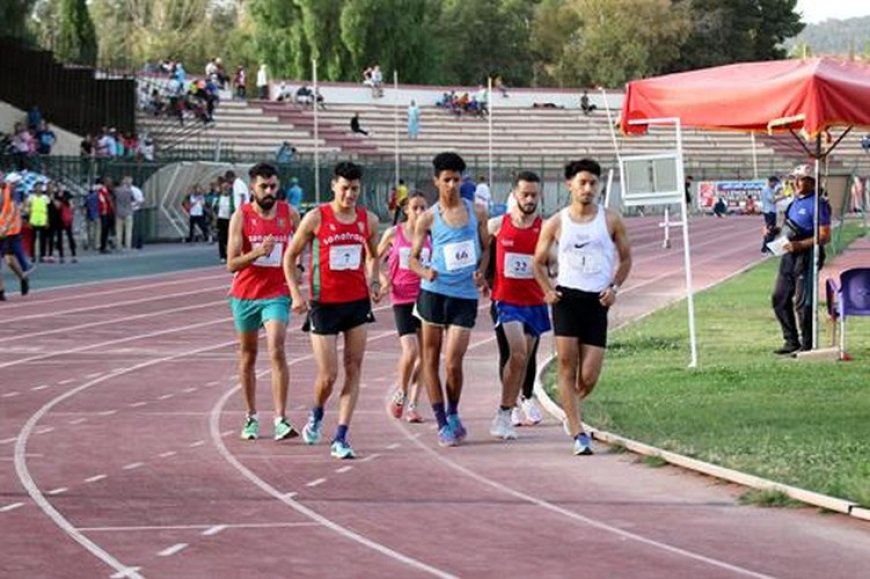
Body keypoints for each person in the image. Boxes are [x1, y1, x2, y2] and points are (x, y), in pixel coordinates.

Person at [533, 158, 632, 455]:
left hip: (596, 301)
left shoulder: (611, 220)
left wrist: (614, 288)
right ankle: (578, 431)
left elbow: (626, 259)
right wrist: (547, 291)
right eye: (582, 183)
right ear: (570, 185)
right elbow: (537, 263)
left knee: (588, 376)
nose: (588, 188)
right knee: (566, 364)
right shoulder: (556, 222)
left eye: (593, 183)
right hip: (566, 300)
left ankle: (571, 405)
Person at [284, 161, 382, 459]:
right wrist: (295, 295)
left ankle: (341, 436)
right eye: (345, 188)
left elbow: (373, 255)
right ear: (333, 186)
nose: (350, 194)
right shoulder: (316, 218)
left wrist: (375, 280)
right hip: (323, 304)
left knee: (354, 369)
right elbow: (289, 258)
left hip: (356, 303)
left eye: (355, 189)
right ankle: (316, 414)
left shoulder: (369, 220)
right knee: (328, 375)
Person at [409, 152, 490, 447]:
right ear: (436, 181)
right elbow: (413, 259)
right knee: (430, 359)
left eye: (457, 179)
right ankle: (442, 421)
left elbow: (486, 249)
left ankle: (454, 411)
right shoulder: (428, 218)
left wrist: (482, 272)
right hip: (434, 293)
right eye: (447, 180)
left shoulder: (477, 212)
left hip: (464, 295)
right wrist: (425, 271)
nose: (452, 185)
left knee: (454, 361)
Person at [227, 162, 300, 441]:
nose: (269, 191)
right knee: (248, 356)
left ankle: (281, 419)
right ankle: (251, 416)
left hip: (277, 293)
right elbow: (231, 264)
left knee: (277, 347)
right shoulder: (241, 217)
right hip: (245, 294)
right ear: (253, 187)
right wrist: (257, 252)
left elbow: (306, 241)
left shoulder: (288, 213)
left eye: (273, 186)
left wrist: (299, 268)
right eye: (263, 187)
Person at [488, 171, 550, 440]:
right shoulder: (496, 225)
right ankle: (504, 413)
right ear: (514, 194)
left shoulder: (546, 228)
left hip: (534, 302)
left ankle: (510, 405)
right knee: (518, 353)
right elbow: (482, 252)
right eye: (524, 194)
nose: (529, 199)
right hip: (506, 301)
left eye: (534, 195)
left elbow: (555, 260)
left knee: (523, 362)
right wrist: (482, 275)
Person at [379, 192, 431, 423]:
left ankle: (413, 405)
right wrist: (382, 281)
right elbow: (371, 259)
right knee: (411, 352)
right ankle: (401, 392)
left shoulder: (431, 235)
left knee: (426, 356)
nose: (420, 212)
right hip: (402, 298)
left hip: (427, 297)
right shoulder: (394, 233)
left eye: (424, 208)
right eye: (416, 208)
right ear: (406, 210)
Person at [771, 164, 831, 355]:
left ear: (812, 182)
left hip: (807, 255)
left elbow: (824, 236)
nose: (796, 183)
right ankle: (791, 341)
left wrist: (800, 245)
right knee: (779, 297)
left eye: (801, 179)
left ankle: (807, 344)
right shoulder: (794, 202)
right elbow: (788, 228)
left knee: (802, 302)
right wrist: (774, 233)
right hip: (789, 254)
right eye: (795, 179)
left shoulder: (818, 204)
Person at [761, 176, 782, 253]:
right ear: (771, 182)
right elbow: (772, 200)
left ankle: (767, 247)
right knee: (770, 230)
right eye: (775, 183)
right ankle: (767, 248)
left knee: (770, 230)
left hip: (770, 211)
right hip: (769, 212)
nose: (775, 185)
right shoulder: (767, 189)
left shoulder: (769, 189)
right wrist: (783, 197)